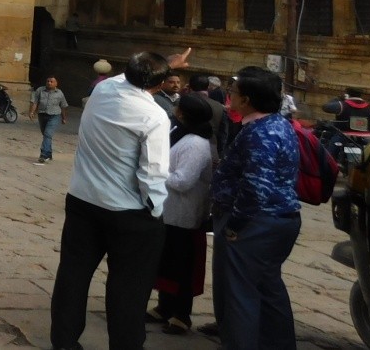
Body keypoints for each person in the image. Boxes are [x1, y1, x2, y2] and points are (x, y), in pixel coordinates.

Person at [49, 47, 191, 350]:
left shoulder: (103, 91)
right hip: (128, 212)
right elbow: (153, 172)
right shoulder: (154, 115)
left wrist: (165, 65)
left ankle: (63, 341)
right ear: (160, 84)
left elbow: (127, 76)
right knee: (128, 288)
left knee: (73, 275)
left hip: (83, 200)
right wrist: (155, 210)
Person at [210, 65, 301, 350]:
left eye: (233, 92)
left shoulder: (261, 133)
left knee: (239, 295)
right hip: (277, 218)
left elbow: (256, 187)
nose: (230, 97)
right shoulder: (278, 124)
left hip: (255, 223)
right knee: (268, 289)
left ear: (246, 99)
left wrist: (235, 224)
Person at [148, 92, 216, 335]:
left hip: (185, 214)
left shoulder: (196, 144)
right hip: (170, 212)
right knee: (166, 262)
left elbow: (183, 181)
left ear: (183, 113)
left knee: (182, 267)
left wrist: (155, 171)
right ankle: (164, 306)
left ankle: (181, 314)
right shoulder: (181, 134)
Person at [29, 75, 68, 164]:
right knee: (46, 135)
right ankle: (49, 154)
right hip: (42, 115)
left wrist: (64, 118)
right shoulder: (40, 90)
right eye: (48, 81)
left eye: (51, 82)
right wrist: (32, 112)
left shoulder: (59, 93)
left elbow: (63, 106)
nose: (49, 83)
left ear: (56, 83)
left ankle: (43, 155)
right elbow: (35, 102)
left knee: (47, 134)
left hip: (54, 115)